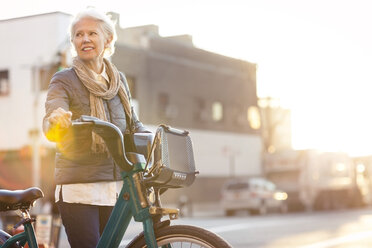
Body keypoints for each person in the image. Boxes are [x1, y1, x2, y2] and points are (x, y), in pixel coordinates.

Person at [42, 8, 149, 248]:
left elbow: (132, 124)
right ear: (73, 42)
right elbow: (51, 120)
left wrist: (154, 139)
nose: (85, 39)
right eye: (79, 35)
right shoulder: (64, 79)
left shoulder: (118, 81)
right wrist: (56, 119)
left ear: (108, 39)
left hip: (113, 187)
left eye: (92, 33)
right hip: (78, 187)